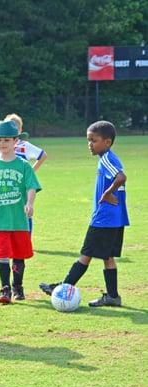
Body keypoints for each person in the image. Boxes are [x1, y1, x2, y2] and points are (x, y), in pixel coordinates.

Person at [40, 121, 129, 307]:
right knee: (107, 257)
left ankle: (63, 288)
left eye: (93, 140)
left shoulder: (106, 159)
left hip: (104, 219)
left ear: (107, 142)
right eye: (88, 140)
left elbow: (121, 177)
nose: (90, 144)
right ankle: (113, 296)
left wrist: (107, 193)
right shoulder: (109, 158)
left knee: (86, 254)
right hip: (115, 218)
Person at [0, 120, 42, 303]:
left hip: (19, 220)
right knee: (2, 254)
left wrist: (29, 203)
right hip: (0, 220)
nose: (2, 144)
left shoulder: (24, 165)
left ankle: (17, 286)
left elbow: (31, 186)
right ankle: (5, 289)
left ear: (15, 142)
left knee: (19, 255)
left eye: (6, 140)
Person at [0, 113, 47, 233]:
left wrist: (31, 172)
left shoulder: (24, 145)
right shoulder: (2, 147)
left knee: (25, 210)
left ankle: (26, 238)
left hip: (21, 185)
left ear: (19, 130)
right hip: (7, 185)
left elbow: (43, 155)